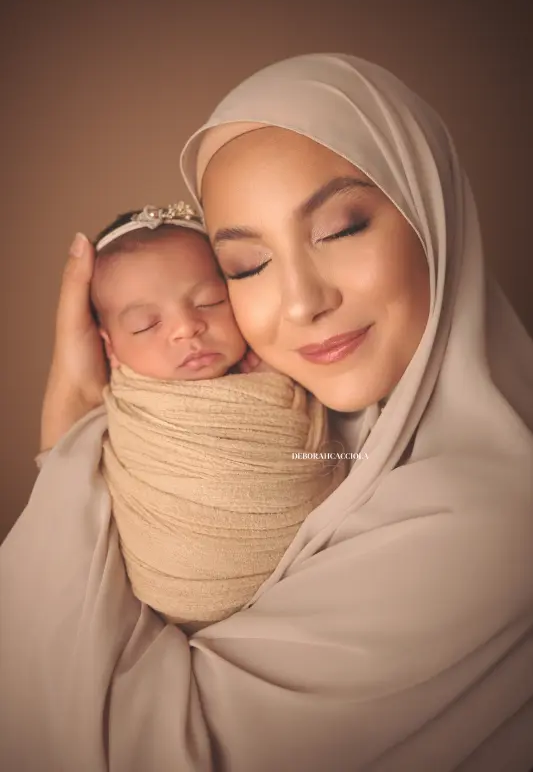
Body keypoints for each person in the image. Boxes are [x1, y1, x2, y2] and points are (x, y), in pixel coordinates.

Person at [1, 53, 533, 772]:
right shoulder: (314, 430)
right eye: (246, 267)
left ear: (430, 211)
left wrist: (68, 436)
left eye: (341, 228)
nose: (299, 302)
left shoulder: (483, 516)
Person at [90, 203, 345, 629]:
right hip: (176, 600)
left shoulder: (282, 372)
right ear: (111, 347)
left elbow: (323, 454)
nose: (186, 328)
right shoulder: (133, 405)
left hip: (307, 589)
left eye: (209, 302)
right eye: (145, 325)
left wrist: (278, 381)